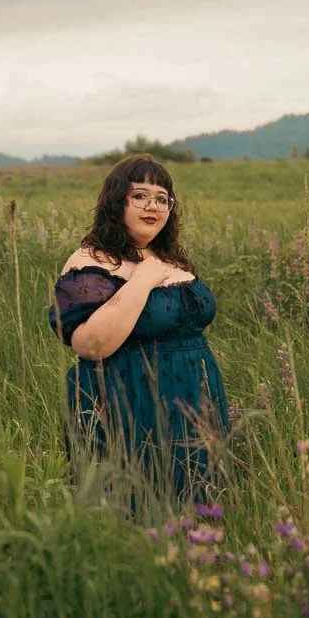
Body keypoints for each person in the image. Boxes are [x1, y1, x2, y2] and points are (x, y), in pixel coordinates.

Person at [47, 154, 230, 509]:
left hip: (196, 401)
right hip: (132, 403)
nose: (153, 206)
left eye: (163, 198)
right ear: (117, 202)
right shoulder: (92, 262)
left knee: (198, 508)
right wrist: (143, 279)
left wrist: (153, 268)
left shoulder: (172, 262)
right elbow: (91, 344)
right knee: (136, 506)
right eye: (141, 196)